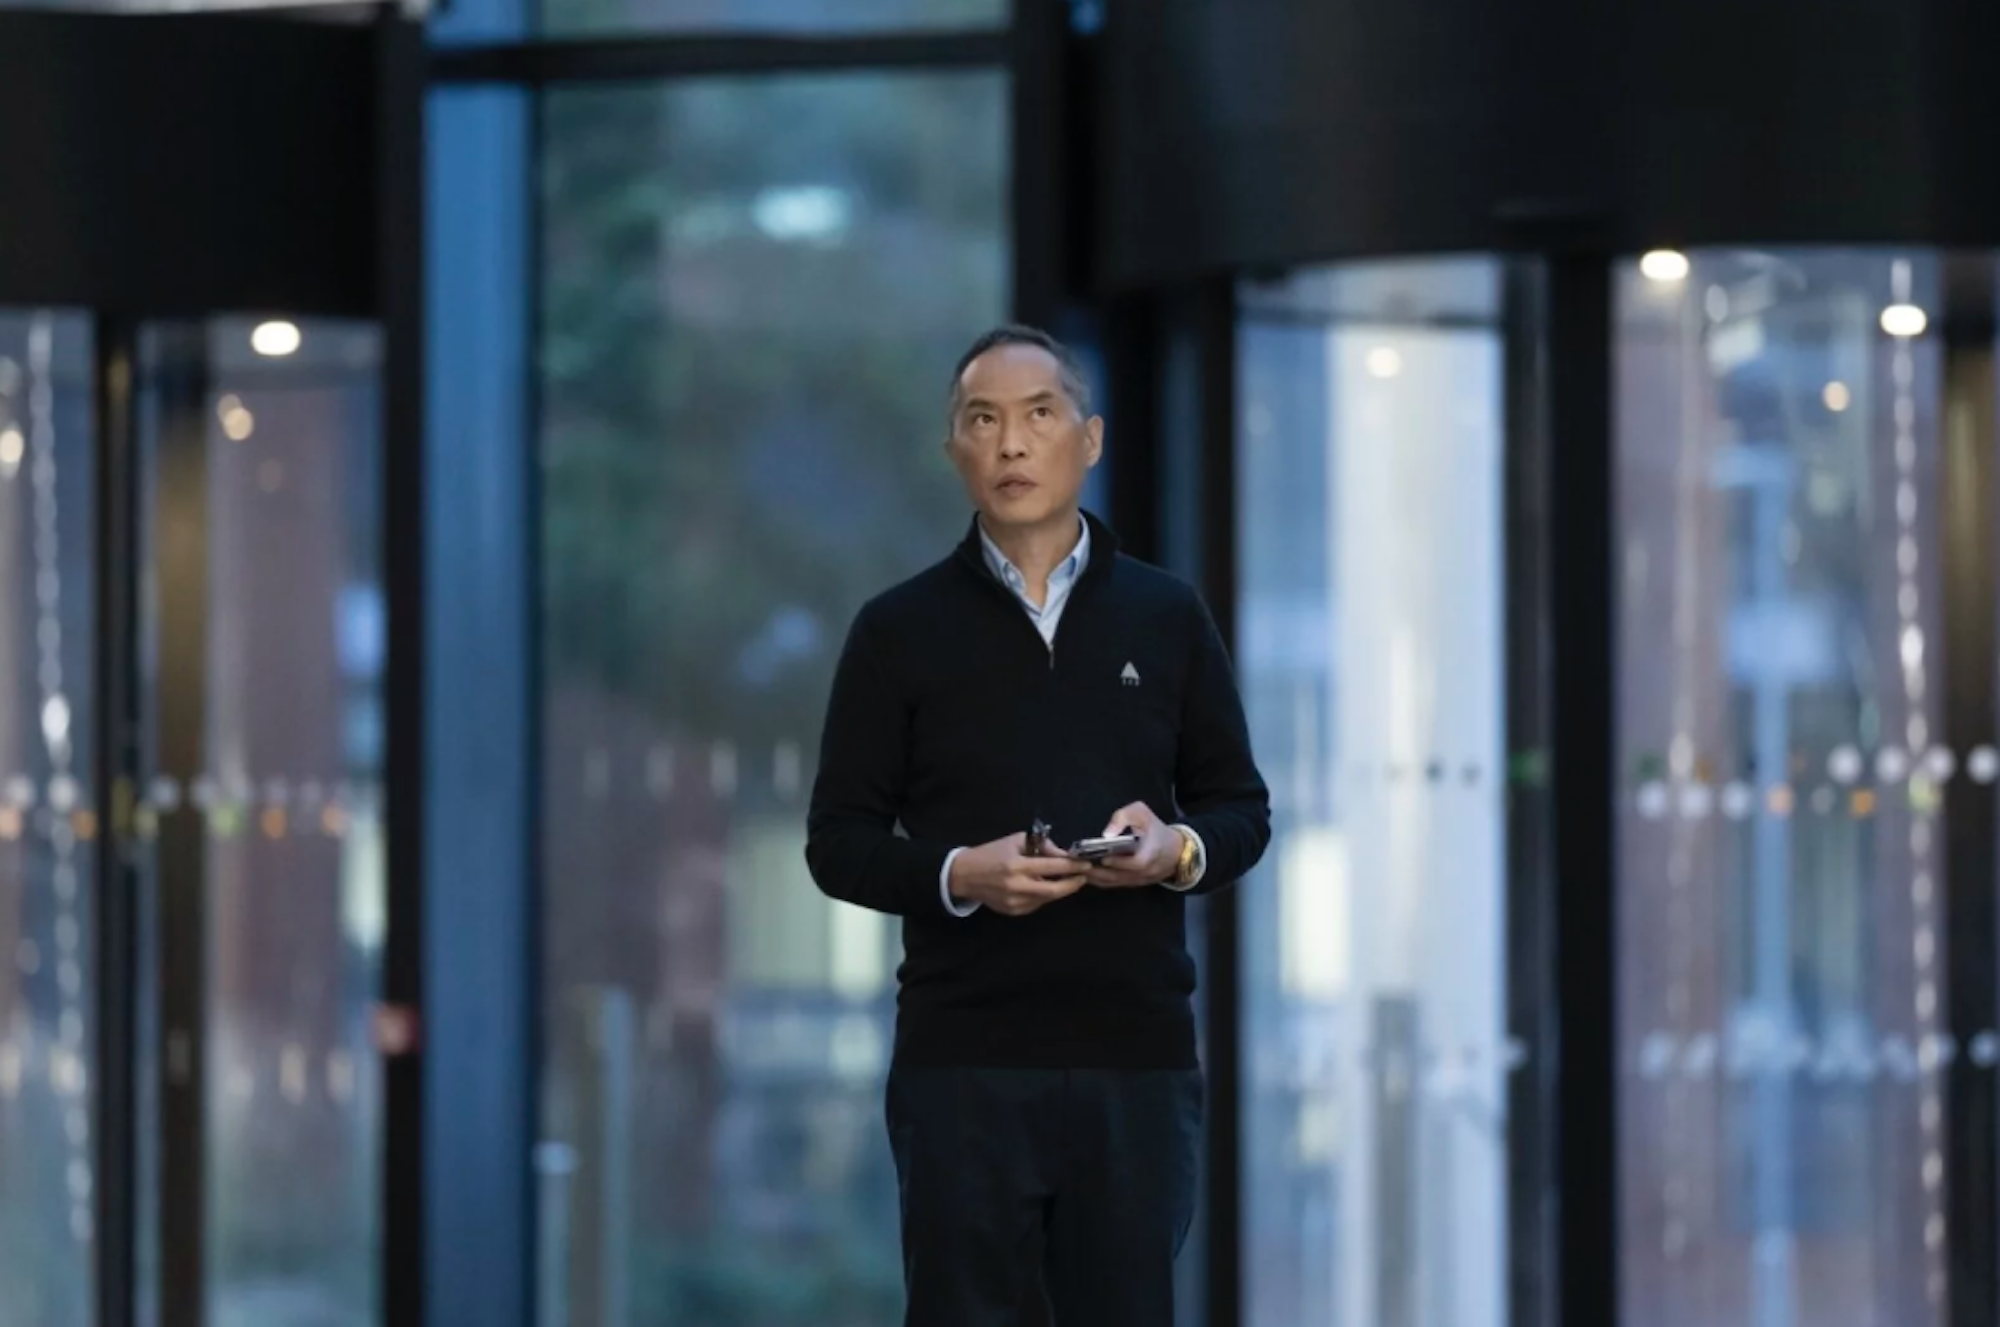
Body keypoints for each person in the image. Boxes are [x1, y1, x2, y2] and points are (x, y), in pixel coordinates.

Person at [804, 324, 1270, 1326]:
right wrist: (959, 874)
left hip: (1133, 1059)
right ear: (954, 453)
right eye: (982, 420)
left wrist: (1172, 850)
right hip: (961, 1061)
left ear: (1089, 440)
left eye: (1038, 414)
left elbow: (1240, 810)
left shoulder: (1165, 614)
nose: (1010, 444)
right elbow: (835, 839)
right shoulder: (897, 632)